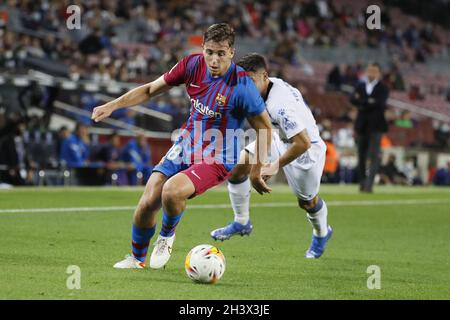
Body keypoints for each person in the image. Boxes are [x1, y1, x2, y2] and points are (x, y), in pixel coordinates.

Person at [91, 23, 272, 269]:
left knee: (172, 191)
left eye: (220, 53)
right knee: (148, 200)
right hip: (187, 143)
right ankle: (136, 259)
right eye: (209, 52)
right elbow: (150, 90)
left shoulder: (243, 87)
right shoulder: (192, 65)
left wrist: (256, 170)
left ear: (231, 52)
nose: (214, 60)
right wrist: (112, 105)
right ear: (203, 49)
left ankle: (166, 237)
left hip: (217, 156)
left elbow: (265, 128)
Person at [210, 53, 332, 259]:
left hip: (306, 151)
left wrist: (274, 166)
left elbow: (301, 142)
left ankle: (322, 232)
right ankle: (241, 222)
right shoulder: (263, 89)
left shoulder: (279, 105)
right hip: (277, 138)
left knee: (307, 203)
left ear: (264, 77)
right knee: (238, 168)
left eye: (249, 81)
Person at [351, 62, 389, 193]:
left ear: (379, 73)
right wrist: (369, 101)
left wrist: (362, 102)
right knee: (361, 156)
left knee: (373, 156)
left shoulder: (383, 88)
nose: (371, 73)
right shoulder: (360, 85)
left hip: (376, 126)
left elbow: (380, 103)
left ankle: (369, 185)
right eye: (369, 70)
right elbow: (352, 99)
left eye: (374, 71)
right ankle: (362, 183)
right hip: (362, 126)